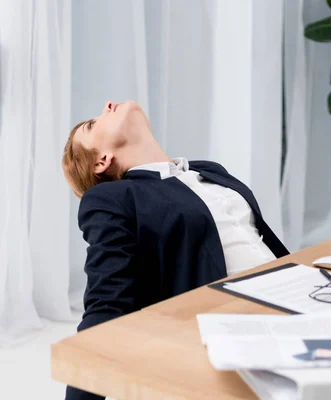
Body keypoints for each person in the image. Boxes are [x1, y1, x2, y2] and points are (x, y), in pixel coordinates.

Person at [62, 100, 289, 400]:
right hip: (243, 333)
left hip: (300, 298)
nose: (107, 105)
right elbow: (107, 304)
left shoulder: (209, 170)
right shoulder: (112, 198)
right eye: (92, 125)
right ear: (102, 160)